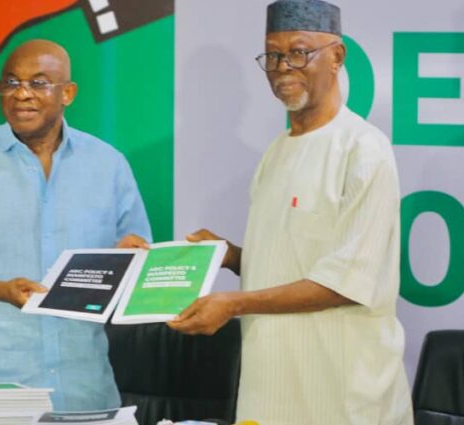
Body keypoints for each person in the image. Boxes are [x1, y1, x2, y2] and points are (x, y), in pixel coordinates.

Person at [166, 0, 414, 423]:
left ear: (337, 57)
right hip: (271, 385)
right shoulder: (277, 152)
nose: (283, 68)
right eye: (273, 55)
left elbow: (345, 282)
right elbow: (292, 263)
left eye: (299, 53)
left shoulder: (363, 149)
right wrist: (230, 256)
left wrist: (234, 304)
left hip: (342, 393)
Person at [0, 39, 151, 411]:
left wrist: (130, 259)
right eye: (11, 83)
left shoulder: (107, 164)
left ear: (68, 93)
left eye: (38, 83)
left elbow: (135, 261)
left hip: (83, 390)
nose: (22, 94)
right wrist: (0, 290)